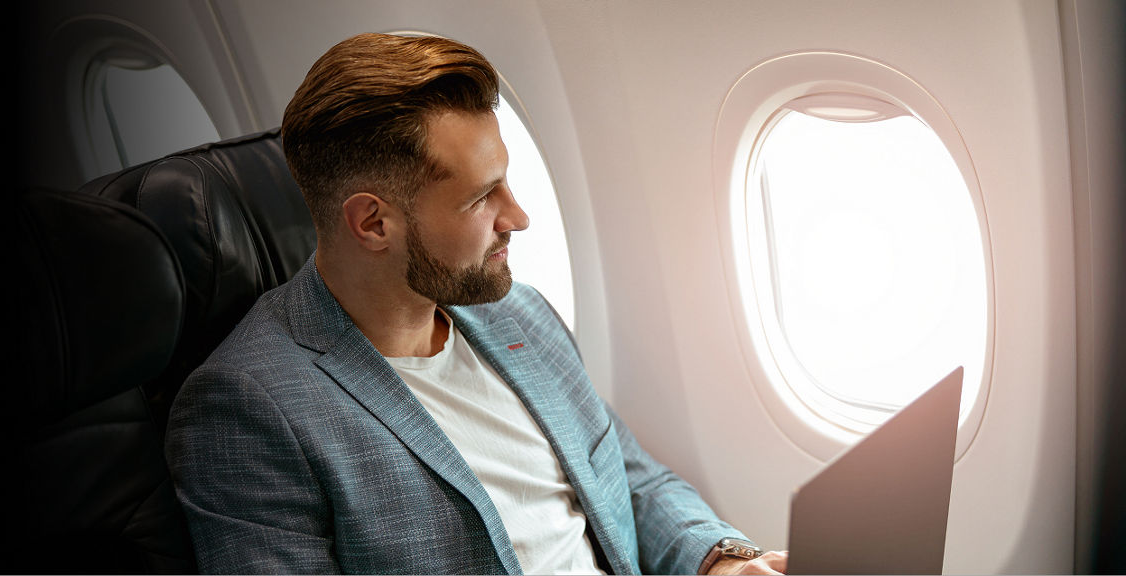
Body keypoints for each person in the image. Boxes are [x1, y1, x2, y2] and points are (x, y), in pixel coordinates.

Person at [166, 32, 788, 575]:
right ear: (374, 224)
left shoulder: (521, 315)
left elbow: (626, 479)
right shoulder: (247, 407)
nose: (518, 216)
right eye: (481, 198)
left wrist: (722, 561)